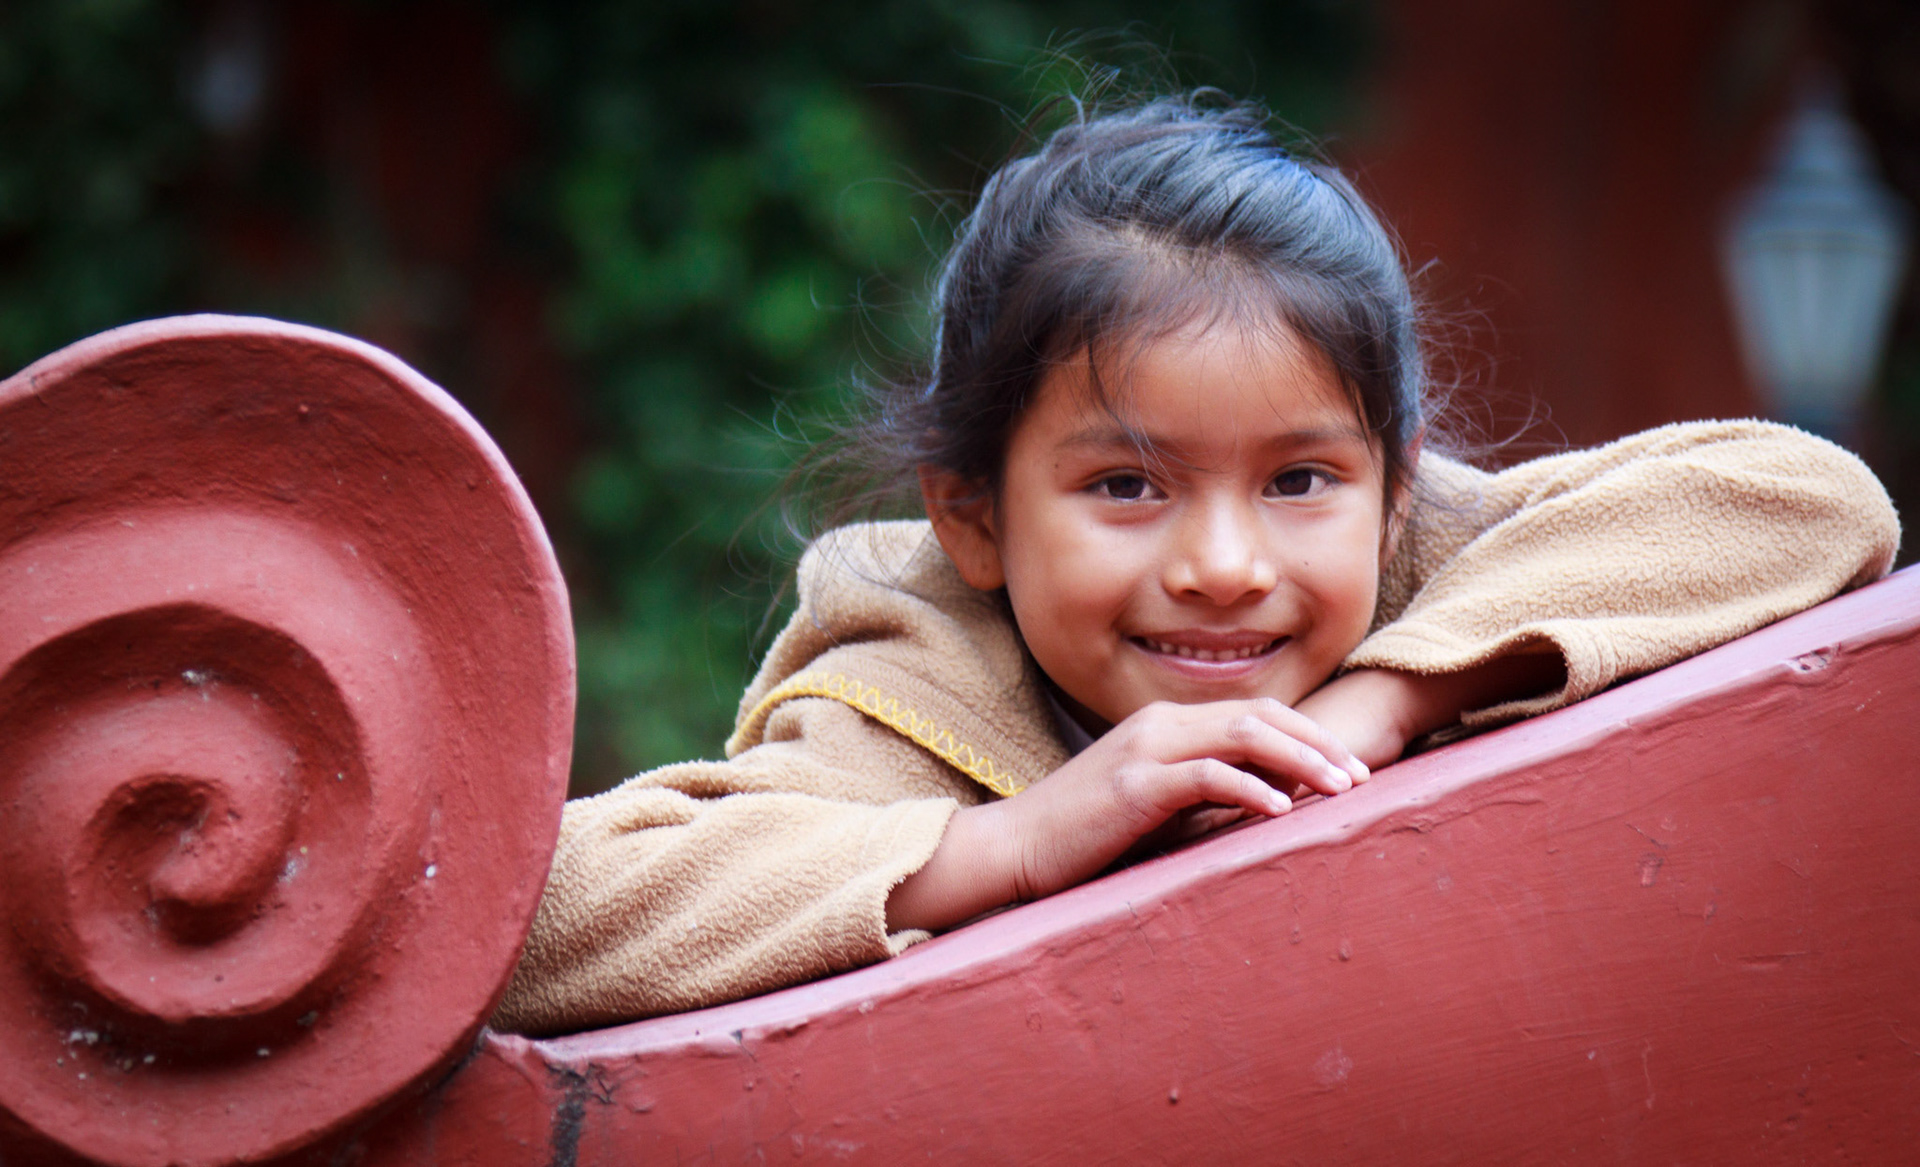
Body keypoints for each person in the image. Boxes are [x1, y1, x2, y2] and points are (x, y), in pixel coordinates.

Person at [491, 94, 1899, 1035]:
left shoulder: (1430, 567)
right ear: (972, 515)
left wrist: (1373, 711)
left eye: (1299, 479)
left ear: (1394, 491)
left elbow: (1811, 499)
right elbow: (536, 910)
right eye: (1125, 486)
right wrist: (1010, 843)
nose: (1226, 565)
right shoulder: (923, 671)